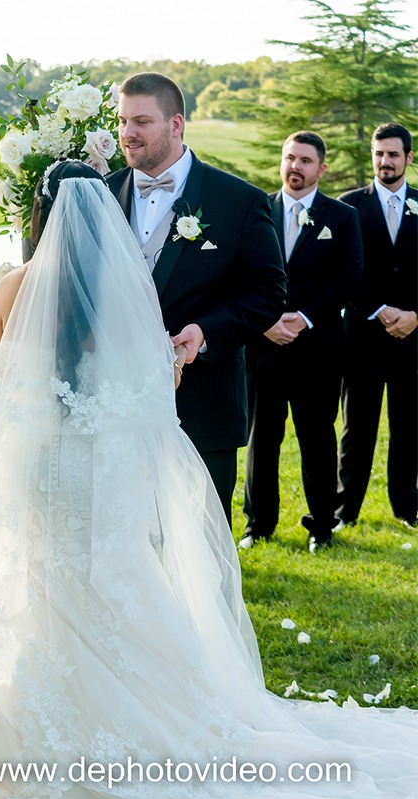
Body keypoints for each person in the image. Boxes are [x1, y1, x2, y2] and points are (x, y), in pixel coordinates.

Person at [0, 161, 418, 799]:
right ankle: (142, 712)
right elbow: (149, 390)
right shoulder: (132, 285)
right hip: (102, 461)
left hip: (40, 465)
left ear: (40, 212)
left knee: (42, 577)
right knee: (115, 573)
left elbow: (7, 385)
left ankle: (37, 720)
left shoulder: (13, 286)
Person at [107, 72, 286, 521]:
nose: (128, 133)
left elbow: (268, 294)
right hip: (114, 408)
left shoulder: (238, 201)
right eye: (123, 120)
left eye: (142, 121)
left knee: (204, 553)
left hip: (204, 408)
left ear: (176, 124)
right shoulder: (103, 195)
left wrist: (204, 334)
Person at [242, 132, 363, 553]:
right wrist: (266, 322)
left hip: (319, 350)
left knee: (317, 437)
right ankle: (258, 525)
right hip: (264, 346)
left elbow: (349, 277)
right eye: (290, 158)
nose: (296, 167)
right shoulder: (257, 210)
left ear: (321, 168)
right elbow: (242, 274)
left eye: (305, 161)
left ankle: (322, 527)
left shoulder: (343, 217)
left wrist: (305, 317)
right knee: (263, 437)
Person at [336, 123, 417, 530]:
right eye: (379, 153)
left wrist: (415, 315)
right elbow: (342, 272)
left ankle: (407, 506)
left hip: (413, 337)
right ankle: (345, 510)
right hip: (364, 336)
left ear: (409, 158)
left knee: (409, 426)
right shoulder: (348, 207)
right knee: (358, 427)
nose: (385, 161)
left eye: (393, 154)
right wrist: (379, 309)